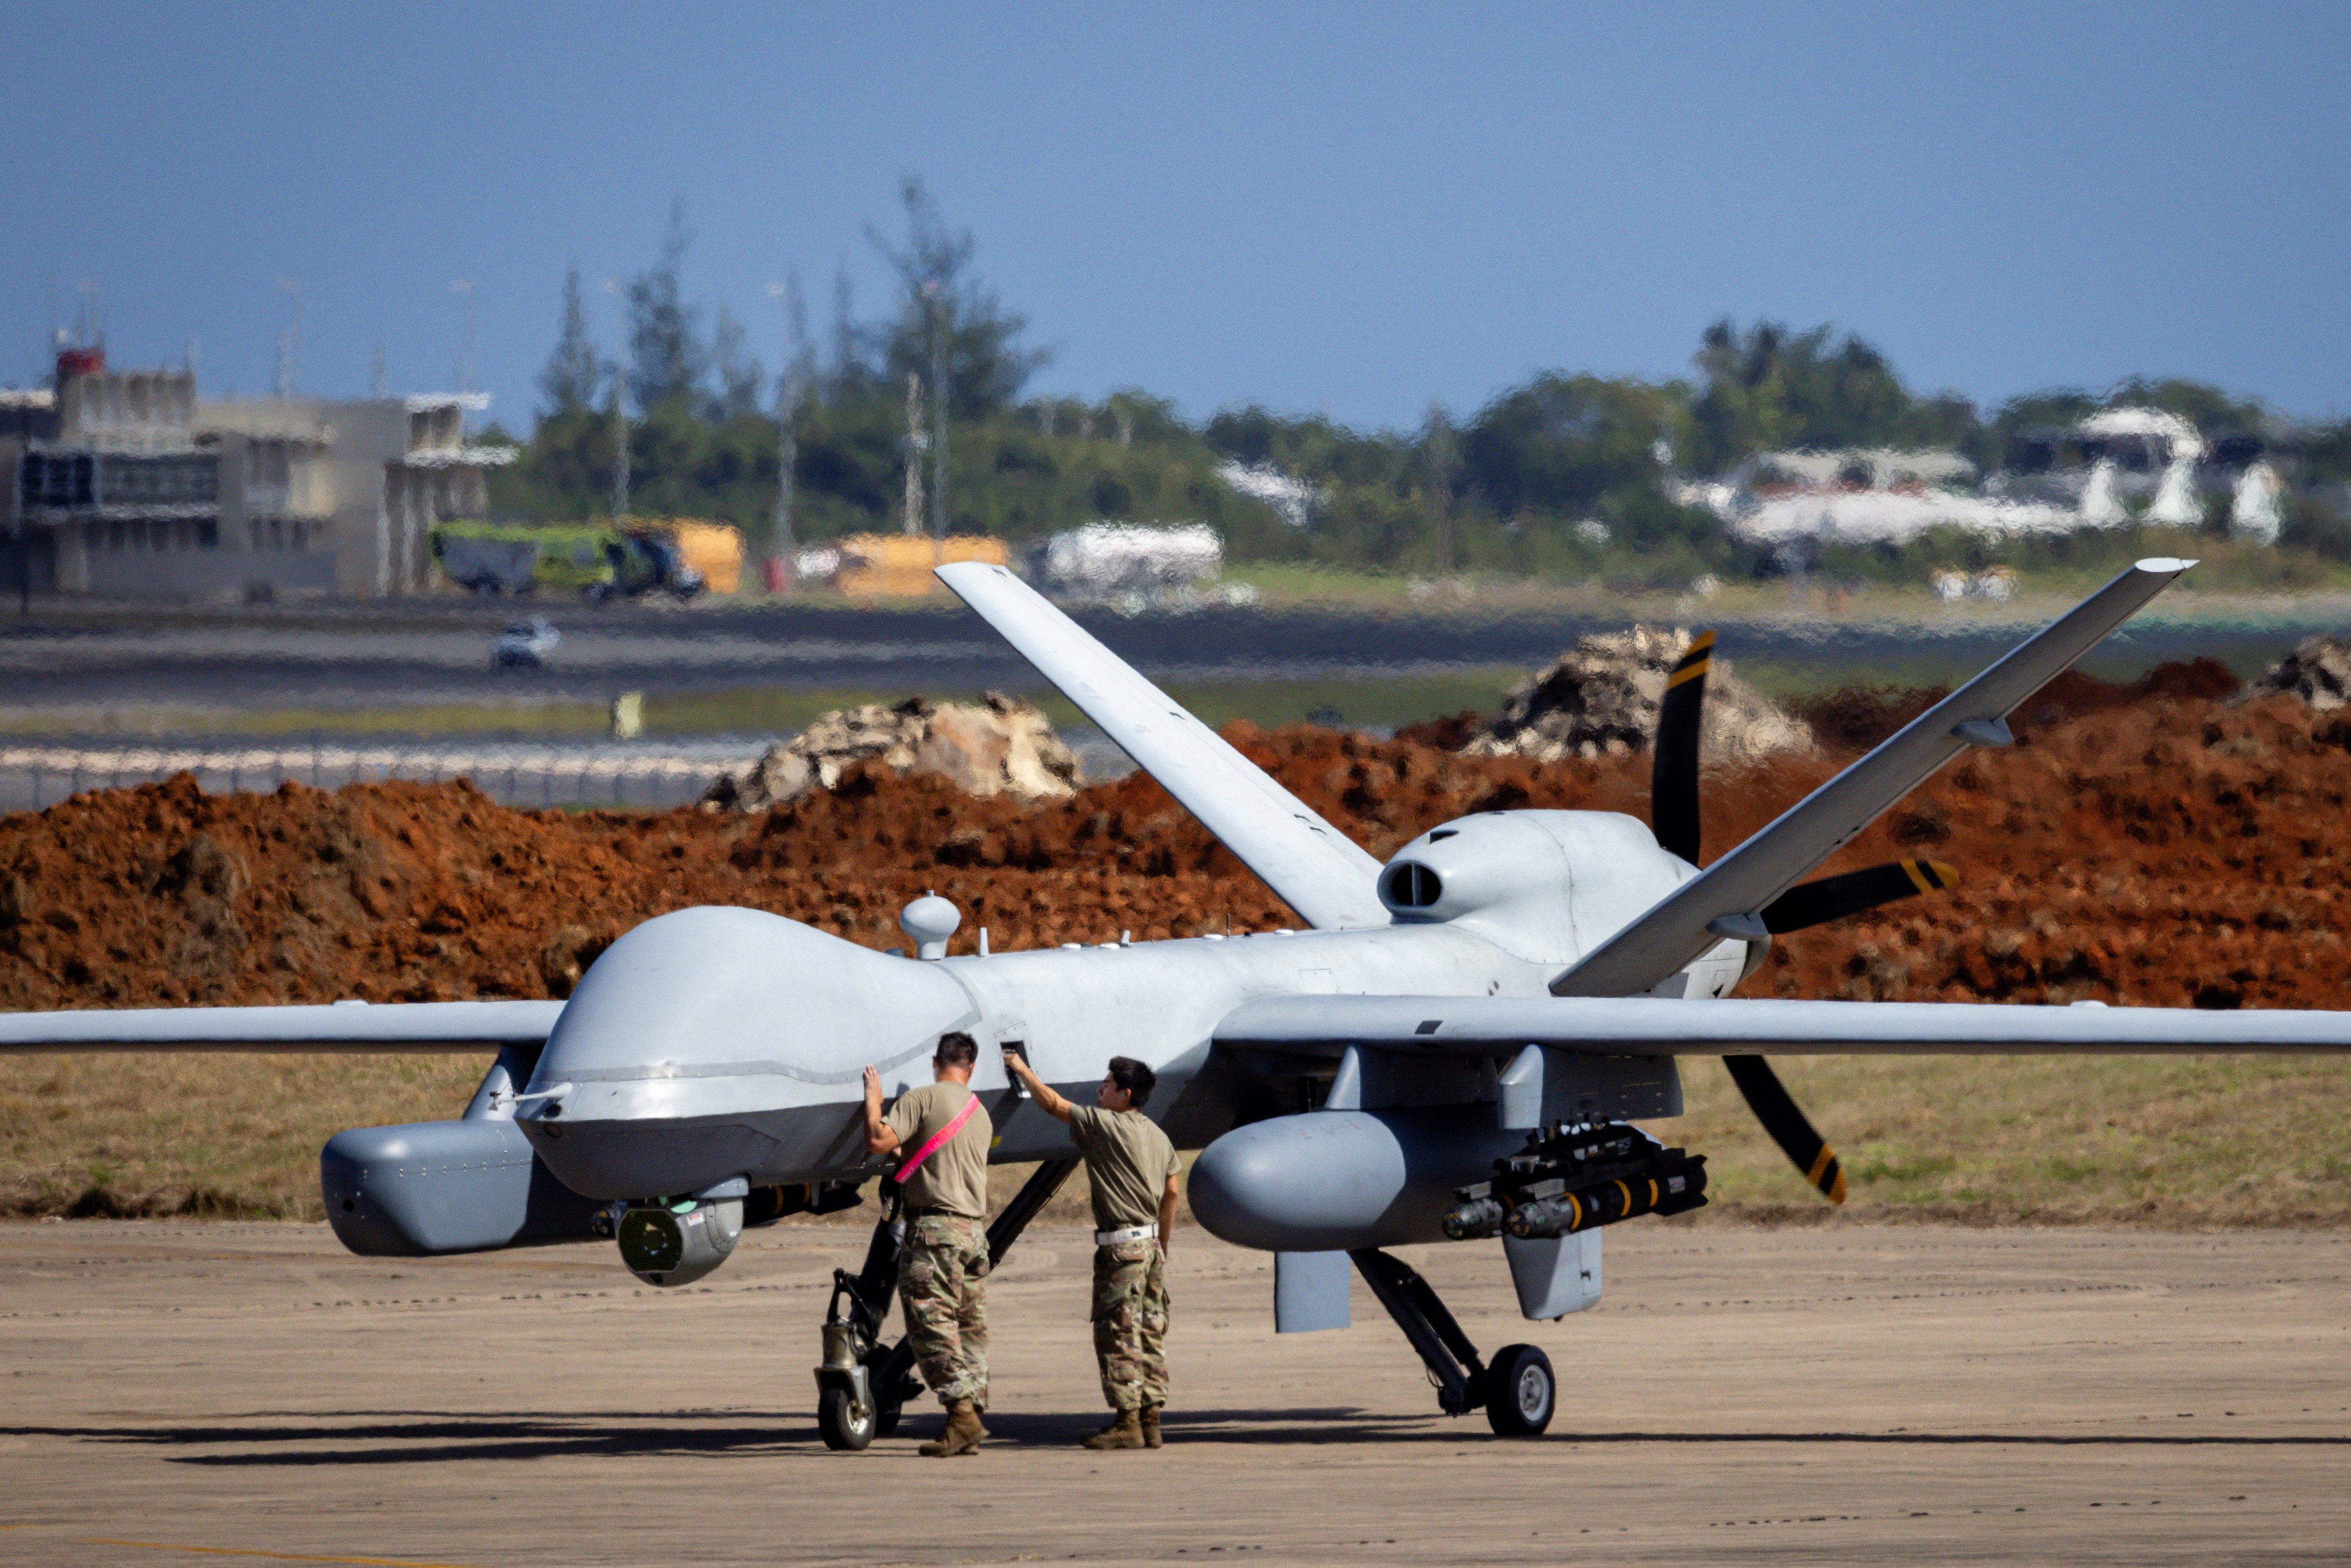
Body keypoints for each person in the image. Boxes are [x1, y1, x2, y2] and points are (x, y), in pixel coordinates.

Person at [1003, 1047, 1181, 1451]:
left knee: (1118, 1333)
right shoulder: (1158, 1135)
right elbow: (1172, 1191)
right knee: (1150, 1332)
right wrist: (1163, 1240)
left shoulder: (1105, 1125)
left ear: (1125, 1094)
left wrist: (1020, 1068)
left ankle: (1128, 1422)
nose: (1101, 1090)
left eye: (1109, 1085)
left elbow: (1053, 1104)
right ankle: (1151, 1420)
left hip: (1121, 1249)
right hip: (1151, 1245)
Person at [862, 1031, 993, 1457]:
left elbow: (880, 1141)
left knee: (930, 1324)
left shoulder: (922, 1099)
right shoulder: (981, 1114)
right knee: (969, 1328)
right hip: (973, 1234)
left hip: (935, 1233)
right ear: (970, 1068)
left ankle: (960, 1416)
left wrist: (875, 1102)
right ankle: (971, 1416)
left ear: (937, 1062)